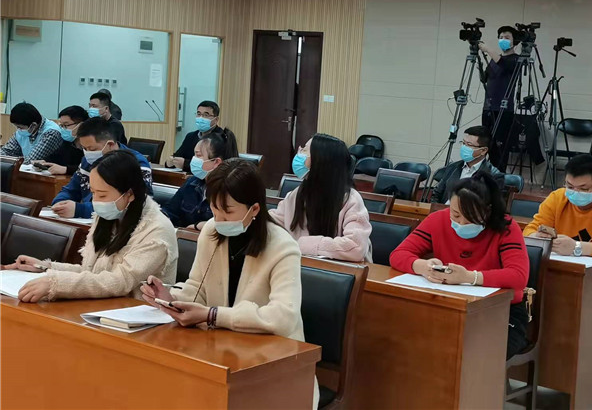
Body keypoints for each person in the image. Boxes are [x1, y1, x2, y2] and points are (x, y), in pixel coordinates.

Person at [140, 159, 319, 408]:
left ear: (254, 209)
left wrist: (213, 315)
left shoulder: (283, 246)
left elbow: (283, 318)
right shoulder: (211, 232)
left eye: (229, 212)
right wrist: (170, 297)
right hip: (222, 350)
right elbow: (198, 287)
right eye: (214, 210)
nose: (220, 219)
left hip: (275, 361)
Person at [390, 172, 530, 359]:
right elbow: (398, 254)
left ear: (488, 211)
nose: (461, 223)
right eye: (455, 215)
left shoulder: (506, 228)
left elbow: (518, 277)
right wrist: (423, 266)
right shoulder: (438, 220)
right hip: (450, 306)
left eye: (471, 218)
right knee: (415, 342)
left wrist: (470, 277)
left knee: (474, 353)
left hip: (501, 312)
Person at [6, 150, 177, 303]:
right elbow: (90, 271)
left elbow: (120, 281)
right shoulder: (109, 215)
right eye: (93, 193)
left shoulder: (157, 231)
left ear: (130, 194)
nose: (95, 202)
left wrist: (56, 283)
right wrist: (45, 268)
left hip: (139, 315)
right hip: (103, 307)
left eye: (102, 195)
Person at [524, 155, 592, 315]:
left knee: (574, 301)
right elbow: (529, 230)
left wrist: (576, 247)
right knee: (531, 293)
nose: (575, 193)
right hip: (562, 273)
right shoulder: (557, 198)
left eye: (583, 189)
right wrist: (536, 237)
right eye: (570, 186)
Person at [269, 134, 372, 262]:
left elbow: (355, 247)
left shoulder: (351, 200)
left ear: (321, 162)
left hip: (337, 271)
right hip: (300, 266)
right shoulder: (297, 194)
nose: (299, 153)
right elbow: (273, 222)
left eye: (305, 150)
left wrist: (303, 244)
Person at [51, 118, 152, 219]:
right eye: (84, 149)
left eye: (92, 149)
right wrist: (60, 202)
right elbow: (71, 189)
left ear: (110, 144)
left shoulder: (136, 163)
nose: (88, 153)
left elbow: (138, 203)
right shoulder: (87, 161)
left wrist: (80, 210)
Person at [162, 130, 238, 229]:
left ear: (216, 162)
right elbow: (170, 211)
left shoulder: (231, 191)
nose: (193, 159)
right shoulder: (192, 183)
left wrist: (198, 226)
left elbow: (229, 225)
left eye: (198, 155)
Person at [479, 25, 520, 171]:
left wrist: (488, 49)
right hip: (488, 107)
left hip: (504, 110)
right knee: (486, 144)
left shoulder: (516, 60)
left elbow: (503, 64)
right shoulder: (494, 60)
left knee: (499, 149)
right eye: (501, 37)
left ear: (514, 41)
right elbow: (485, 78)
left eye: (507, 37)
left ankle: (498, 177)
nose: (503, 40)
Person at [431, 126, 505, 204]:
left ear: (483, 150)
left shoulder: (494, 176)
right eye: (463, 143)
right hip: (444, 210)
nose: (464, 147)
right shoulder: (452, 167)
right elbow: (436, 195)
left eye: (469, 145)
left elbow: (492, 205)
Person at [166, 101, 224, 173]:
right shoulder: (190, 136)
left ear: (216, 119)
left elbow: (215, 166)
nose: (201, 118)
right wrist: (170, 162)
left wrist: (185, 164)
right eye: (199, 114)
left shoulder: (220, 138)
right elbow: (177, 156)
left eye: (206, 115)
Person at [34, 105, 87, 176]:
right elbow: (55, 157)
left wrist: (66, 169)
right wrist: (44, 162)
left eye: (66, 125)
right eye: (62, 125)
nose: (63, 129)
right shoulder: (68, 142)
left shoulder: (91, 144)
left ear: (81, 125)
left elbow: (92, 167)